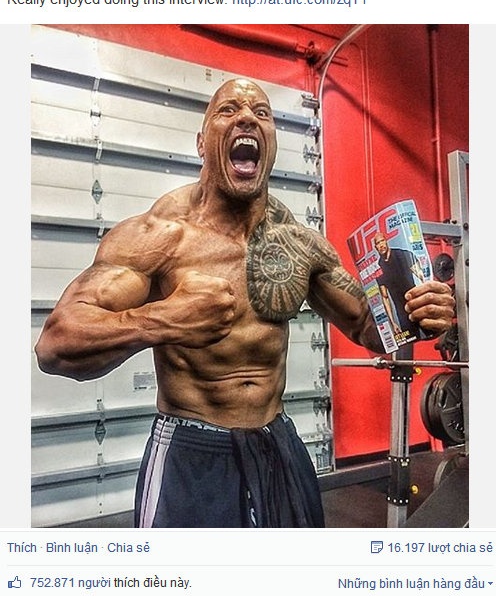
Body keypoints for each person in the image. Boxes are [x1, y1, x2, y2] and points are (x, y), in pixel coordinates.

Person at [35, 78, 455, 528]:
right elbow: (56, 345)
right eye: (228, 109)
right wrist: (163, 320)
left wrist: (417, 312)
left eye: (262, 112)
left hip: (278, 444)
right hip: (191, 450)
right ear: (202, 143)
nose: (247, 119)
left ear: (271, 143)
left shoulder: (299, 243)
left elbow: (366, 326)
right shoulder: (160, 235)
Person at [373, 232, 430, 341]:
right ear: (375, 247)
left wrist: (428, 299)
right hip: (402, 313)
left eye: (382, 241)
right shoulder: (379, 268)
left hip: (416, 302)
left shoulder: (402, 254)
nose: (381, 245)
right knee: (410, 340)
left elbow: (422, 277)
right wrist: (393, 323)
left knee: (430, 332)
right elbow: (385, 297)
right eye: (378, 243)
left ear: (386, 241)